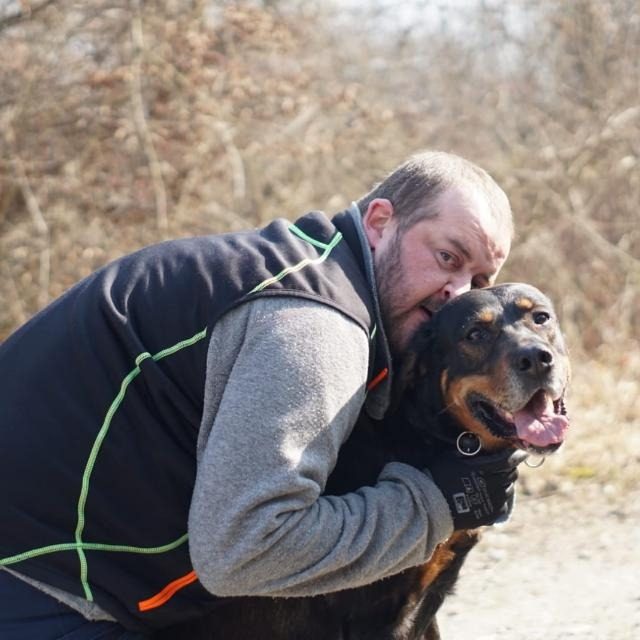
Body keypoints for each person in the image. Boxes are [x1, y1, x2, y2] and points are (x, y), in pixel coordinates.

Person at [0, 150, 521, 639]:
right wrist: (434, 504)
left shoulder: (298, 265)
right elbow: (246, 552)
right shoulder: (317, 326)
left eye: (479, 278)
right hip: (36, 588)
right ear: (380, 221)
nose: (458, 292)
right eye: (447, 256)